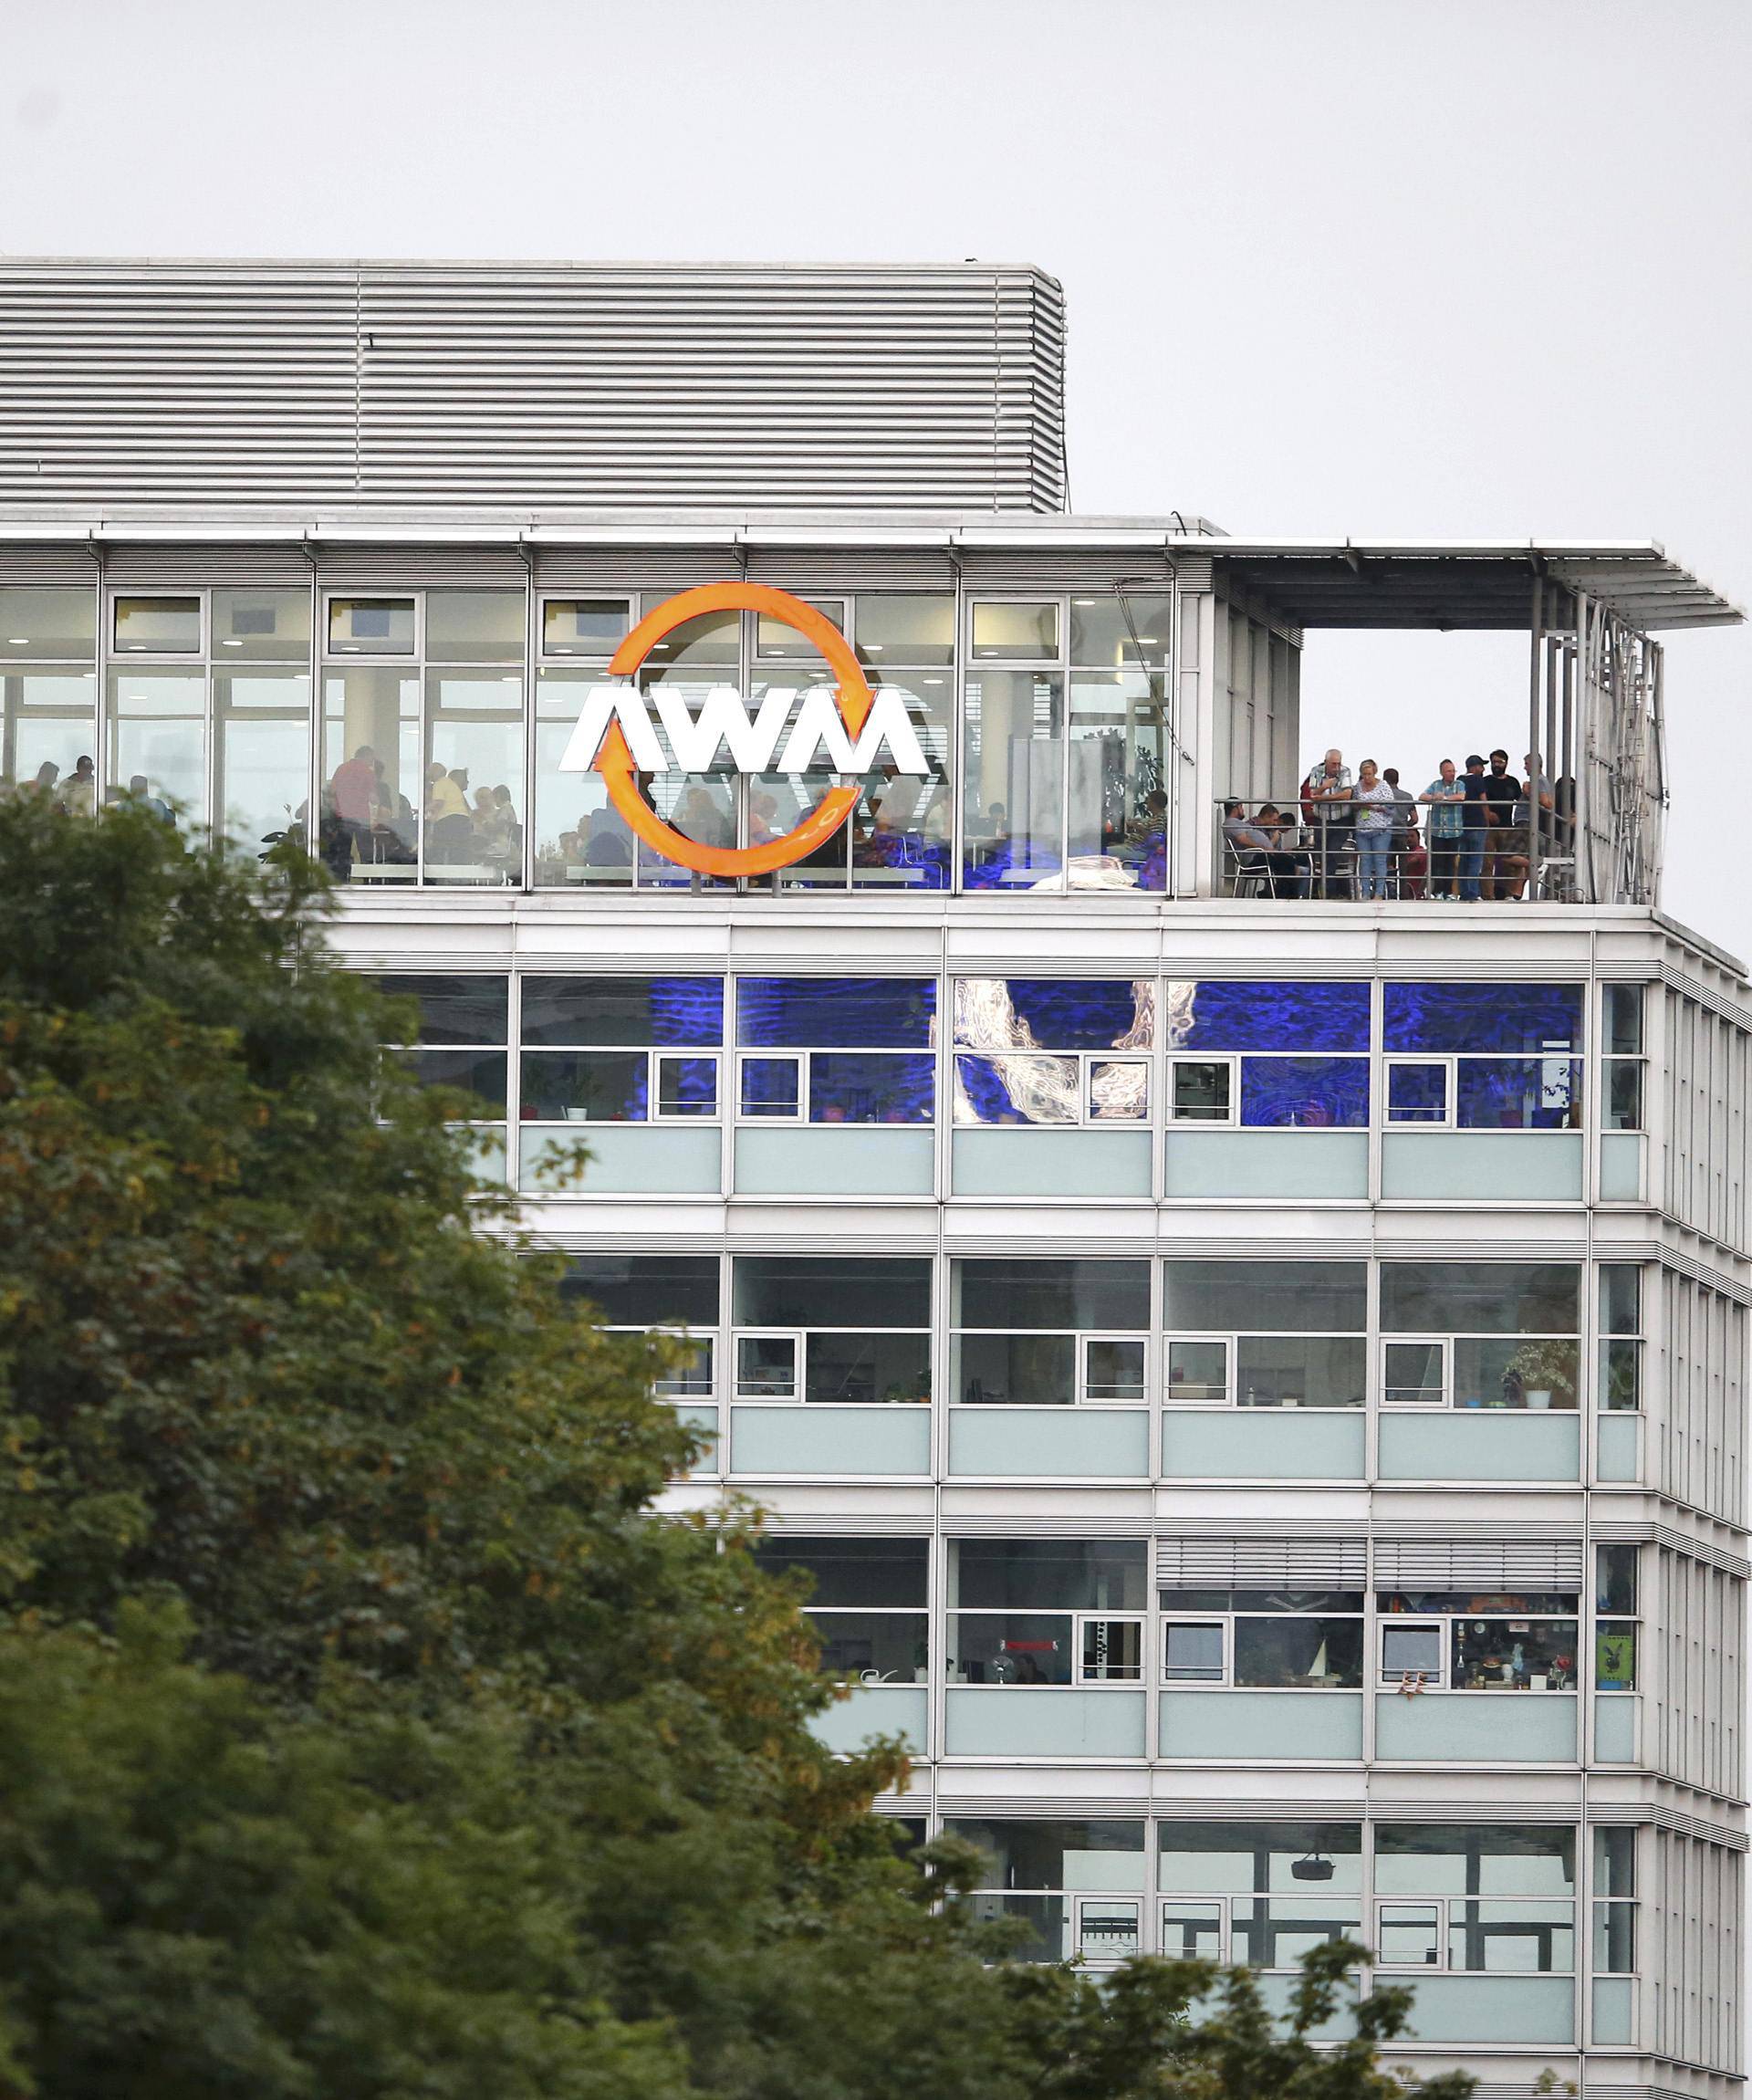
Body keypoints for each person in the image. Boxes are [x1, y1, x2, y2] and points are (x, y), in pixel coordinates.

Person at [1222, 801, 1306, 898]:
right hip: (1254, 857)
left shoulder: (1239, 823)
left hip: (1261, 854)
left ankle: (1277, 894)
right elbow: (1243, 840)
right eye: (1241, 807)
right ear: (1235, 808)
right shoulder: (1231, 822)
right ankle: (1285, 896)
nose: (1243, 810)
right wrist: (1263, 848)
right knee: (1287, 861)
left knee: (1290, 860)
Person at [1299, 747, 1352, 897]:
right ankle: (1327, 890)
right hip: (1321, 820)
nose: (1336, 767)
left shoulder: (1345, 771)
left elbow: (1347, 794)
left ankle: (1329, 891)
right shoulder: (1316, 771)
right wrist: (1325, 787)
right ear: (1326, 762)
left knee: (1332, 851)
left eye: (1338, 763)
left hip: (1340, 820)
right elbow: (1312, 794)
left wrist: (1323, 797)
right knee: (1322, 854)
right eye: (1333, 764)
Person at [1504, 750, 1555, 900]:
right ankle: (1516, 894)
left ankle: (1537, 864)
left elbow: (1547, 803)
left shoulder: (1539, 780)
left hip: (1526, 822)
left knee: (1506, 855)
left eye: (1526, 764)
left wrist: (1529, 792)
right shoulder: (1538, 780)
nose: (1524, 767)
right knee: (1520, 861)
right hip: (1525, 822)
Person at [1418, 758, 1466, 898]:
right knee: (1438, 862)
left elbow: (1461, 796)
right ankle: (1438, 891)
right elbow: (1422, 796)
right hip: (1438, 831)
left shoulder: (1459, 784)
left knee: (1451, 863)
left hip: (1454, 830)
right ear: (1442, 772)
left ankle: (1449, 892)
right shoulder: (1436, 784)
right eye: (1449, 771)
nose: (1452, 774)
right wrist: (1434, 797)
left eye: (1453, 771)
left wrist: (1444, 798)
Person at [1480, 747, 1523, 900]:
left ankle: (1508, 894)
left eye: (1499, 762)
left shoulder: (1513, 782)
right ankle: (1487, 895)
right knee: (1487, 863)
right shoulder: (1486, 781)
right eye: (1494, 762)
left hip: (1507, 827)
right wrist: (1488, 814)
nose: (1496, 765)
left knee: (1508, 862)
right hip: (1489, 829)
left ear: (1506, 763)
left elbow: (1522, 801)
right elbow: (1480, 801)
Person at [1351, 759, 1395, 899]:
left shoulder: (1383, 786)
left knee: (1379, 859)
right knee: (1365, 860)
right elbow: (1353, 804)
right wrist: (1361, 805)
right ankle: (1365, 892)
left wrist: (1373, 806)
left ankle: (1379, 892)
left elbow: (1390, 807)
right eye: (1364, 774)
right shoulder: (1358, 787)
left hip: (1380, 828)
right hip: (1362, 828)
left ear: (1375, 772)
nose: (1367, 777)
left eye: (1369, 774)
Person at [1456, 754, 1490, 901]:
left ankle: (1463, 891)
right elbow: (1483, 802)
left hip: (1461, 825)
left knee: (1463, 860)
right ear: (1475, 767)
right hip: (1477, 824)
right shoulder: (1478, 780)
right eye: (1481, 766)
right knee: (1475, 861)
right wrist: (1487, 820)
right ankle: (1473, 892)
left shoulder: (1459, 781)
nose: (1483, 769)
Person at [1382, 767, 1415, 896]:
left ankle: (1387, 892)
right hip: (1401, 834)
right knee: (1403, 868)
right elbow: (1414, 818)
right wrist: (1405, 825)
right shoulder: (1407, 796)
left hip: (1386, 834)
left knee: (1386, 866)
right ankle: (1404, 894)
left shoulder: (1383, 796)